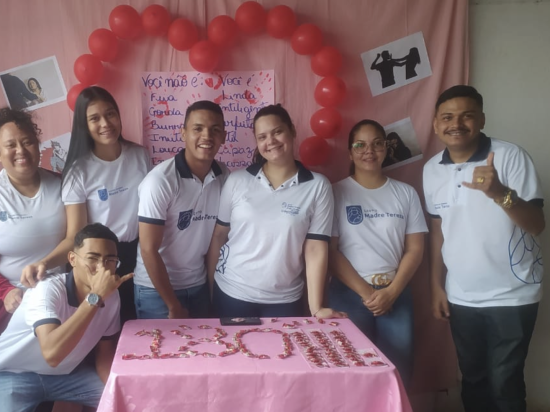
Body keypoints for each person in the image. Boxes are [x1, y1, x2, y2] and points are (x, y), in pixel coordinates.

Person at [423, 85, 545, 412]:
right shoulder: (431, 169)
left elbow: (536, 224)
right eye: (447, 117)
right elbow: (438, 231)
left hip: (513, 292)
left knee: (505, 381)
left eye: (466, 116)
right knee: (473, 379)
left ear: (482, 120)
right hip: (461, 294)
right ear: (435, 124)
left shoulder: (510, 157)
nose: (456, 124)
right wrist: (437, 286)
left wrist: (498, 192)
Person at [207, 104, 346, 319]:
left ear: (292, 131)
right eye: (262, 137)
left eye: (277, 132)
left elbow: (316, 248)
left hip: (284, 300)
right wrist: (209, 288)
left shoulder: (318, 186)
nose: (270, 141)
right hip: (231, 293)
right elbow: (219, 236)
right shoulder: (237, 180)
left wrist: (316, 307)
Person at [328, 119, 427, 388]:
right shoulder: (334, 193)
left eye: (377, 144)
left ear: (386, 148)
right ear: (350, 152)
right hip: (348, 294)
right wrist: (368, 294)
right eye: (360, 144)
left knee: (397, 371)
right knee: (349, 369)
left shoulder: (406, 194)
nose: (368, 150)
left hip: (395, 292)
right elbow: (330, 252)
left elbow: (415, 249)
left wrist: (391, 292)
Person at [0, 223, 132, 411]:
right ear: (72, 259)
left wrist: (115, 392)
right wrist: (96, 296)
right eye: (92, 258)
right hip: (13, 374)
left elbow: (105, 354)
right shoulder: (46, 289)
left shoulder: (112, 296)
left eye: (110, 260)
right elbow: (52, 354)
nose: (101, 268)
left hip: (67, 376)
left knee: (128, 401)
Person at [58, 86, 150, 323]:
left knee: (134, 324)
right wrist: (43, 263)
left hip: (138, 254)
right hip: (99, 262)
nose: (105, 123)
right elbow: (75, 235)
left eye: (110, 114)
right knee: (101, 328)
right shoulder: (78, 171)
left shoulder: (140, 155)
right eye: (94, 118)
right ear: (84, 125)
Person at [134, 100, 228, 319]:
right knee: (162, 353)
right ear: (183, 133)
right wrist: (172, 304)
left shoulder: (224, 175)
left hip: (198, 285)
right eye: (198, 129)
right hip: (155, 290)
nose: (207, 136)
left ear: (223, 136)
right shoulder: (160, 181)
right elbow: (148, 249)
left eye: (215, 130)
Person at [0, 108, 67, 333]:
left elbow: (78, 237)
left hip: (61, 294)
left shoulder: (62, 184)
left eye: (27, 142)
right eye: (10, 145)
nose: (20, 151)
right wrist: (5, 291)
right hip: (11, 301)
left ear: (38, 145)